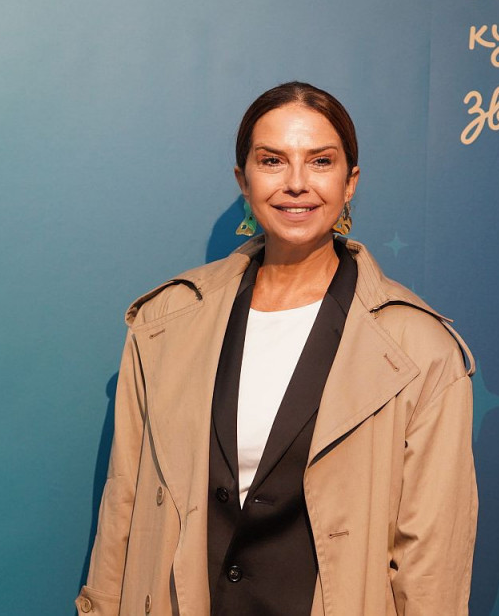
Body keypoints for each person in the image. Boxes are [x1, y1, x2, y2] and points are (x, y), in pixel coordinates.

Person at [76, 82, 477, 616]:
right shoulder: (166, 322)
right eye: (272, 161)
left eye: (320, 161)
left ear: (350, 182)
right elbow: (124, 501)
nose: (296, 183)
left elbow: (431, 559)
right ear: (243, 180)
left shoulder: (421, 350)